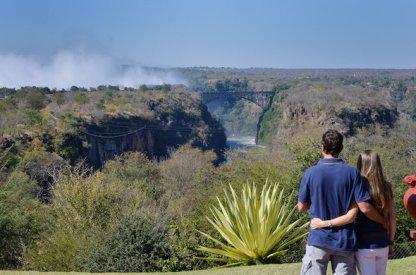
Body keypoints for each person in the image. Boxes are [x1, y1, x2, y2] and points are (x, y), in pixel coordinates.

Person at [298, 130, 388, 275]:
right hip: (344, 240)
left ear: (323, 147)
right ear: (341, 148)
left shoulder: (310, 173)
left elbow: (301, 207)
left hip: (318, 238)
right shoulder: (353, 173)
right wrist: (383, 221)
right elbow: (362, 207)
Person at [311, 150, 396, 275]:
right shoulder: (387, 187)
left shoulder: (358, 185)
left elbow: (363, 209)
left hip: (364, 244)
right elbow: (393, 218)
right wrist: (390, 241)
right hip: (382, 243)